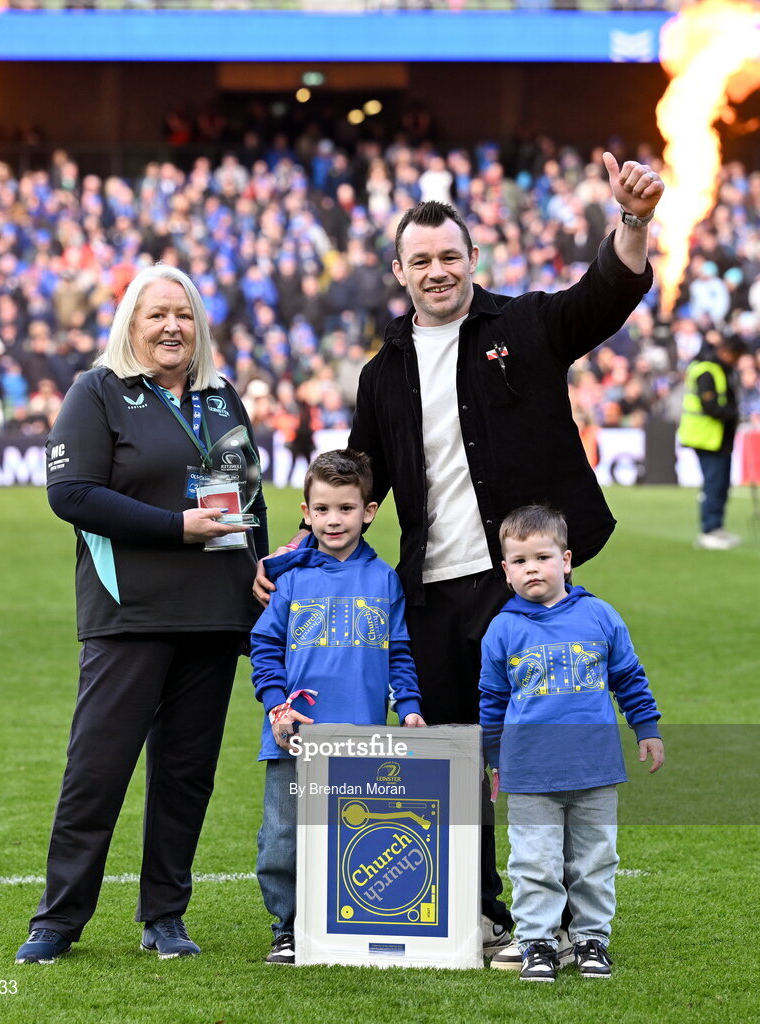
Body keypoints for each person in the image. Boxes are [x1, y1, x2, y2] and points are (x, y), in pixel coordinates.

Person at [255, 153, 665, 953]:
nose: (437, 271)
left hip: (522, 588)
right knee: (452, 760)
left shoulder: (526, 325)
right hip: (431, 591)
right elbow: (356, 476)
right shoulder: (382, 372)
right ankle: (482, 913)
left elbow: (604, 297)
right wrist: (302, 550)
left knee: (543, 744)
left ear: (473, 259)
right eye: (422, 261)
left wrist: (635, 221)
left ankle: (571, 919)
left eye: (450, 256)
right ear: (399, 272)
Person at [15, 264, 268, 964]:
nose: (171, 327)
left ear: (199, 327)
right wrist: (173, 527)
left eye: (183, 316)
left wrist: (261, 577)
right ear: (131, 321)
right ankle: (58, 920)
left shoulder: (221, 399)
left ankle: (165, 914)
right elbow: (71, 493)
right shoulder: (97, 391)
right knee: (97, 770)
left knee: (186, 776)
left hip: (214, 615)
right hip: (129, 613)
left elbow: (247, 506)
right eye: (157, 314)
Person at [251, 449, 426, 965]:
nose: (333, 519)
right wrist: (276, 708)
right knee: (283, 841)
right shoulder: (291, 579)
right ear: (306, 512)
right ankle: (287, 927)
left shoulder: (385, 580)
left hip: (361, 737)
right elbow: (264, 649)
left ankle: (343, 920)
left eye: (346, 509)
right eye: (322, 509)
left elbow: (399, 654)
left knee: (354, 834)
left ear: (368, 512)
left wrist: (409, 708)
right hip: (294, 735)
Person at [479, 505, 664, 982]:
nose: (531, 568)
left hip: (595, 770)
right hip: (530, 775)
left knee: (594, 861)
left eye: (541, 557)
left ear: (566, 560)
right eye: (519, 561)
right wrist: (494, 759)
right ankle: (538, 941)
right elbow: (492, 700)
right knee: (533, 862)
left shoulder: (600, 616)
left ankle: (591, 940)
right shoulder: (502, 629)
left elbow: (629, 678)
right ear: (505, 570)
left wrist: (647, 729)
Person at [677, 334, 748, 549]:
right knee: (713, 484)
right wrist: (736, 416)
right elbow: (710, 406)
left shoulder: (723, 370)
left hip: (720, 437)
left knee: (722, 484)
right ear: (728, 352)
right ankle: (708, 530)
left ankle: (716, 527)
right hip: (706, 437)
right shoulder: (706, 370)